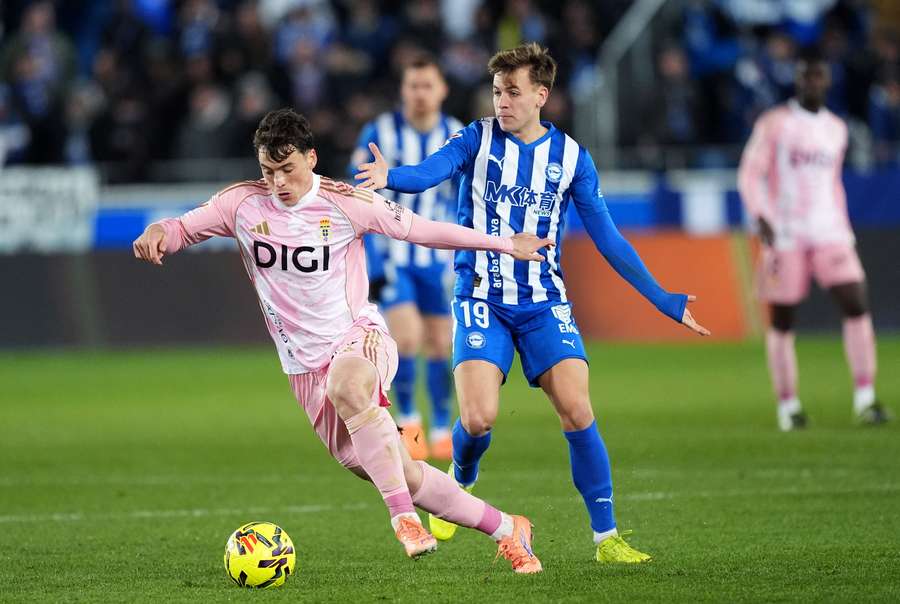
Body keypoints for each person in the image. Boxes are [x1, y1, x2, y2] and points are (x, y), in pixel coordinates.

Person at [132, 108, 550, 573]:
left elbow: (421, 231)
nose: (277, 183)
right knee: (402, 473)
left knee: (349, 389)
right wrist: (158, 233)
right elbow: (182, 227)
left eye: (287, 170)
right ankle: (508, 528)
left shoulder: (346, 202)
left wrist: (504, 244)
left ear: (311, 158)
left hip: (359, 340)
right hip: (302, 369)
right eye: (268, 171)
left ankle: (404, 521)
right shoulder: (241, 204)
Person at [356, 43, 709, 563]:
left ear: (541, 95)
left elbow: (609, 239)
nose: (503, 101)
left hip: (545, 301)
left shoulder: (571, 159)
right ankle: (461, 476)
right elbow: (432, 169)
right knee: (478, 420)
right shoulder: (476, 139)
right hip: (480, 294)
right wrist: (393, 179)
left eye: (514, 92)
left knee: (578, 408)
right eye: (498, 91)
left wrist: (663, 299)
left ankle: (606, 539)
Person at [737, 50, 890, 431]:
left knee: (856, 303)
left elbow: (832, 183)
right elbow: (750, 173)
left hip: (829, 231)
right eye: (805, 76)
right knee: (784, 321)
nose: (812, 82)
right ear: (797, 79)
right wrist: (761, 216)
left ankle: (866, 398)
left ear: (827, 79)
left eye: (818, 76)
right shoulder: (775, 123)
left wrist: (845, 226)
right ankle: (788, 407)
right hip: (785, 233)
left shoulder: (836, 129)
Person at [349, 56, 463, 461]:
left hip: (440, 259)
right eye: (413, 85)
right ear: (403, 90)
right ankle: (410, 424)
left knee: (438, 343)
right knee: (408, 338)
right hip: (394, 255)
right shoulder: (379, 132)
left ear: (442, 90)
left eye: (427, 85)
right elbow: (357, 191)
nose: (420, 93)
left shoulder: (456, 135)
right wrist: (373, 263)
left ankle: (441, 426)